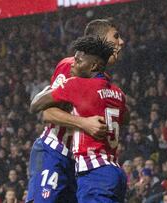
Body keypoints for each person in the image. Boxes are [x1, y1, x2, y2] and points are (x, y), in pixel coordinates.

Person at [26, 18, 124, 203]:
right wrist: (84, 123)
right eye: (116, 36)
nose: (121, 42)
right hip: (54, 152)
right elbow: (47, 113)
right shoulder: (71, 66)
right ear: (98, 40)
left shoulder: (105, 83)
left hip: (79, 164)